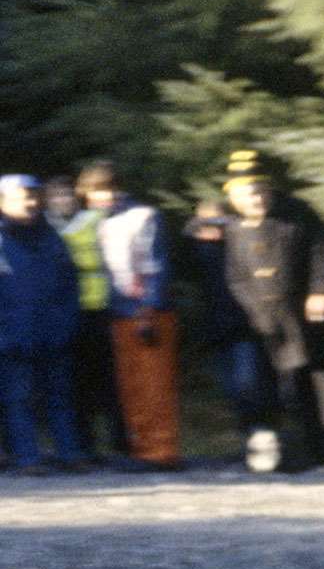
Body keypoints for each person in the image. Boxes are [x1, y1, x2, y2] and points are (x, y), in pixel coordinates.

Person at [218, 150, 324, 472]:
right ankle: (286, 451)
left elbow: (321, 251)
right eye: (248, 193)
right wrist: (253, 312)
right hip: (263, 320)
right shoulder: (233, 227)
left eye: (261, 190)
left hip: (304, 311)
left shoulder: (297, 213)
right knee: (273, 387)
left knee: (320, 381)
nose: (257, 199)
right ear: (234, 196)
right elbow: (235, 277)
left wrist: (320, 290)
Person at [78, 162, 185, 470]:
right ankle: (140, 447)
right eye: (92, 194)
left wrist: (148, 310)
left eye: (103, 191)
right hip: (118, 311)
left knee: (155, 385)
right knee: (131, 385)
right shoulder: (99, 222)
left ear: (116, 188)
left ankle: (161, 450)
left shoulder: (142, 217)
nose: (98, 199)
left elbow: (155, 266)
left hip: (146, 311)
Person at [0, 174, 89, 473]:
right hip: (12, 336)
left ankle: (69, 453)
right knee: (18, 399)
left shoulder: (51, 236)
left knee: (60, 396)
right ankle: (28, 458)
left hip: (53, 332)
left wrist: (67, 322)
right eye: (20, 197)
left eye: (33, 196)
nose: (29, 203)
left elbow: (69, 283)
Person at [58, 178, 129, 462]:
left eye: (66, 195)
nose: (62, 201)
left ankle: (120, 444)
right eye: (56, 197)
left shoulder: (95, 221)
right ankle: (85, 445)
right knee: (77, 383)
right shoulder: (47, 227)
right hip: (67, 310)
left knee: (110, 379)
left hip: (100, 307)